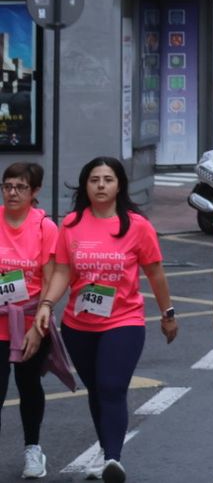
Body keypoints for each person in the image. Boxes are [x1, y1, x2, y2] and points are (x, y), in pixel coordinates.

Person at [35, 158, 177, 483]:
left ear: (119, 185)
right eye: (94, 179)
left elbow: (154, 272)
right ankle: (105, 449)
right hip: (78, 325)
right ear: (85, 185)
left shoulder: (137, 226)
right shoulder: (71, 224)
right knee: (97, 391)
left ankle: (113, 459)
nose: (101, 185)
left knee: (112, 387)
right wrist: (46, 304)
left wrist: (168, 314)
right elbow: (62, 271)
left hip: (123, 321)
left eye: (108, 179)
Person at [0, 162, 56, 479]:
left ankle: (33, 450)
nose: (12, 192)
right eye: (7, 185)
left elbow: (51, 278)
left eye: (20, 187)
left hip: (30, 321)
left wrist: (38, 326)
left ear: (34, 192)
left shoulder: (44, 227)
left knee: (28, 385)